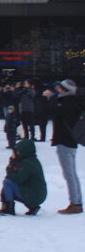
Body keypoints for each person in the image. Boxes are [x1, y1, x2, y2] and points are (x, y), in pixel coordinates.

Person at [50, 79, 83, 214]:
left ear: (65, 90)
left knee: (69, 173)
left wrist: (50, 99)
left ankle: (75, 203)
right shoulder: (74, 102)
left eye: (61, 88)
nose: (58, 90)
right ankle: (77, 202)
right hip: (72, 141)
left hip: (64, 141)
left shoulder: (66, 103)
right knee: (73, 173)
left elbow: (50, 111)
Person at [0, 138, 47, 216]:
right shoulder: (32, 160)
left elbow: (17, 179)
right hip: (38, 194)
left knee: (7, 182)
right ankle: (32, 206)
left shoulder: (27, 163)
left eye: (17, 151)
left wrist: (10, 167)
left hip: (34, 194)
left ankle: (8, 208)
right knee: (11, 186)